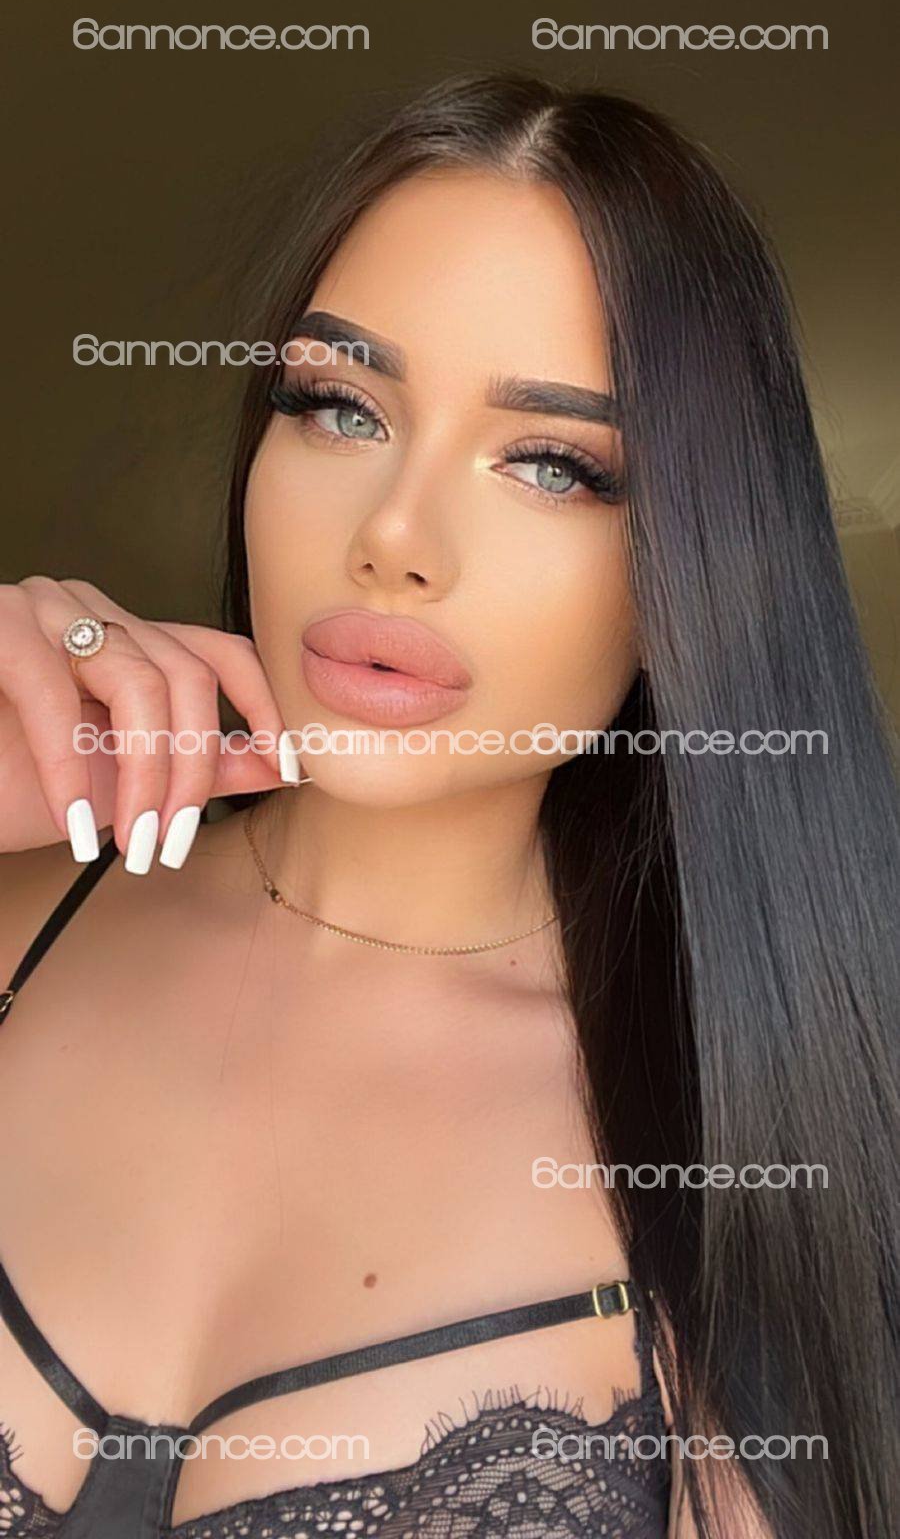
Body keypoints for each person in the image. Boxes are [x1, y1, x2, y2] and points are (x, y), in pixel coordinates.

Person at [0, 74, 896, 1539]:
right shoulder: (22, 918)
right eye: (339, 407)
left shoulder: (758, 1153)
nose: (397, 538)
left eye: (553, 464)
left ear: (700, 572)